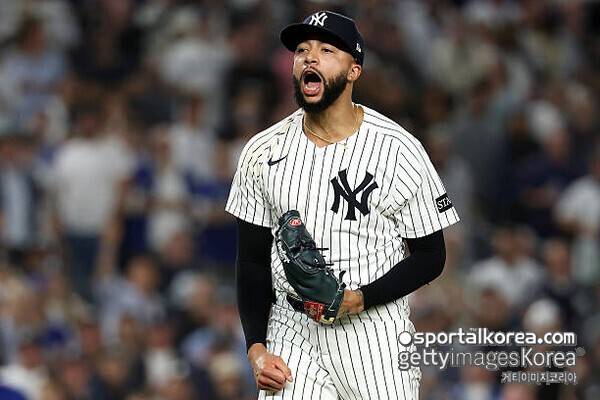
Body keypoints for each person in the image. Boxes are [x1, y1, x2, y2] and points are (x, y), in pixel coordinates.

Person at [225, 10, 459, 399]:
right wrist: (256, 348)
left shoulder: (397, 148)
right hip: (292, 328)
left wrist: (358, 299)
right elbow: (251, 261)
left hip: (373, 331)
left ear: (354, 70)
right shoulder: (262, 151)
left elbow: (431, 256)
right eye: (302, 50)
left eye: (326, 50)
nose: (310, 58)